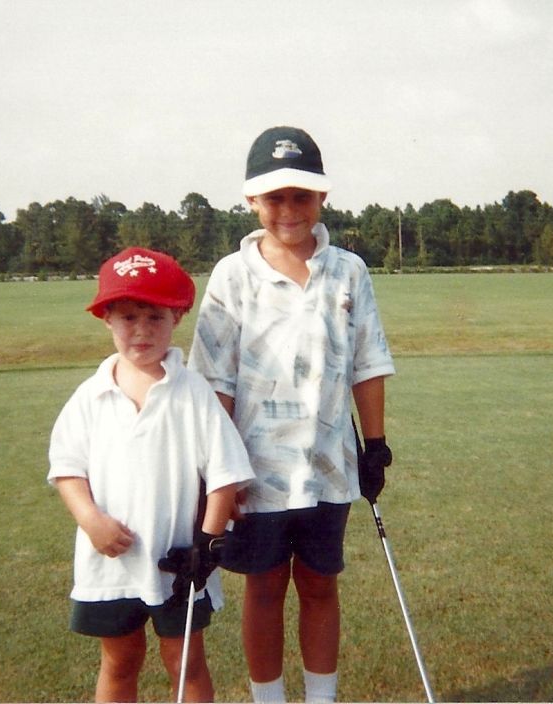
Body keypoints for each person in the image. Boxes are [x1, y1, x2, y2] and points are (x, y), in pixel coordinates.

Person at [188, 126, 396, 703]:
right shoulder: (232, 276)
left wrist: (374, 446)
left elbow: (367, 362)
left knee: (320, 586)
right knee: (263, 590)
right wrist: (216, 472)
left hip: (329, 466)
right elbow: (216, 383)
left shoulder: (349, 271)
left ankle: (321, 699)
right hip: (255, 473)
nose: (289, 210)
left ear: (322, 198)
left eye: (302, 196)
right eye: (275, 197)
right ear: (252, 200)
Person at [48, 247, 255, 703]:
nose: (141, 330)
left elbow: (224, 477)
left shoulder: (194, 393)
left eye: (154, 317)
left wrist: (206, 544)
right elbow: (67, 469)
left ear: (177, 318)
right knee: (120, 663)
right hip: (111, 562)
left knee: (185, 663)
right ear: (106, 318)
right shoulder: (90, 396)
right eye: (127, 317)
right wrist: (91, 521)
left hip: (179, 563)